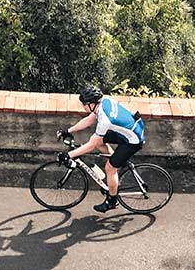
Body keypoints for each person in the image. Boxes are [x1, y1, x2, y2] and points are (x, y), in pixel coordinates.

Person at [56, 85, 145, 213]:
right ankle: (117, 162)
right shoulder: (103, 102)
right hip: (131, 131)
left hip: (133, 140)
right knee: (100, 141)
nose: (83, 107)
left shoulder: (105, 120)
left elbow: (92, 145)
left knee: (109, 167)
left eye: (84, 104)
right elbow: (89, 120)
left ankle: (112, 201)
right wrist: (67, 131)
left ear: (92, 104)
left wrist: (69, 155)